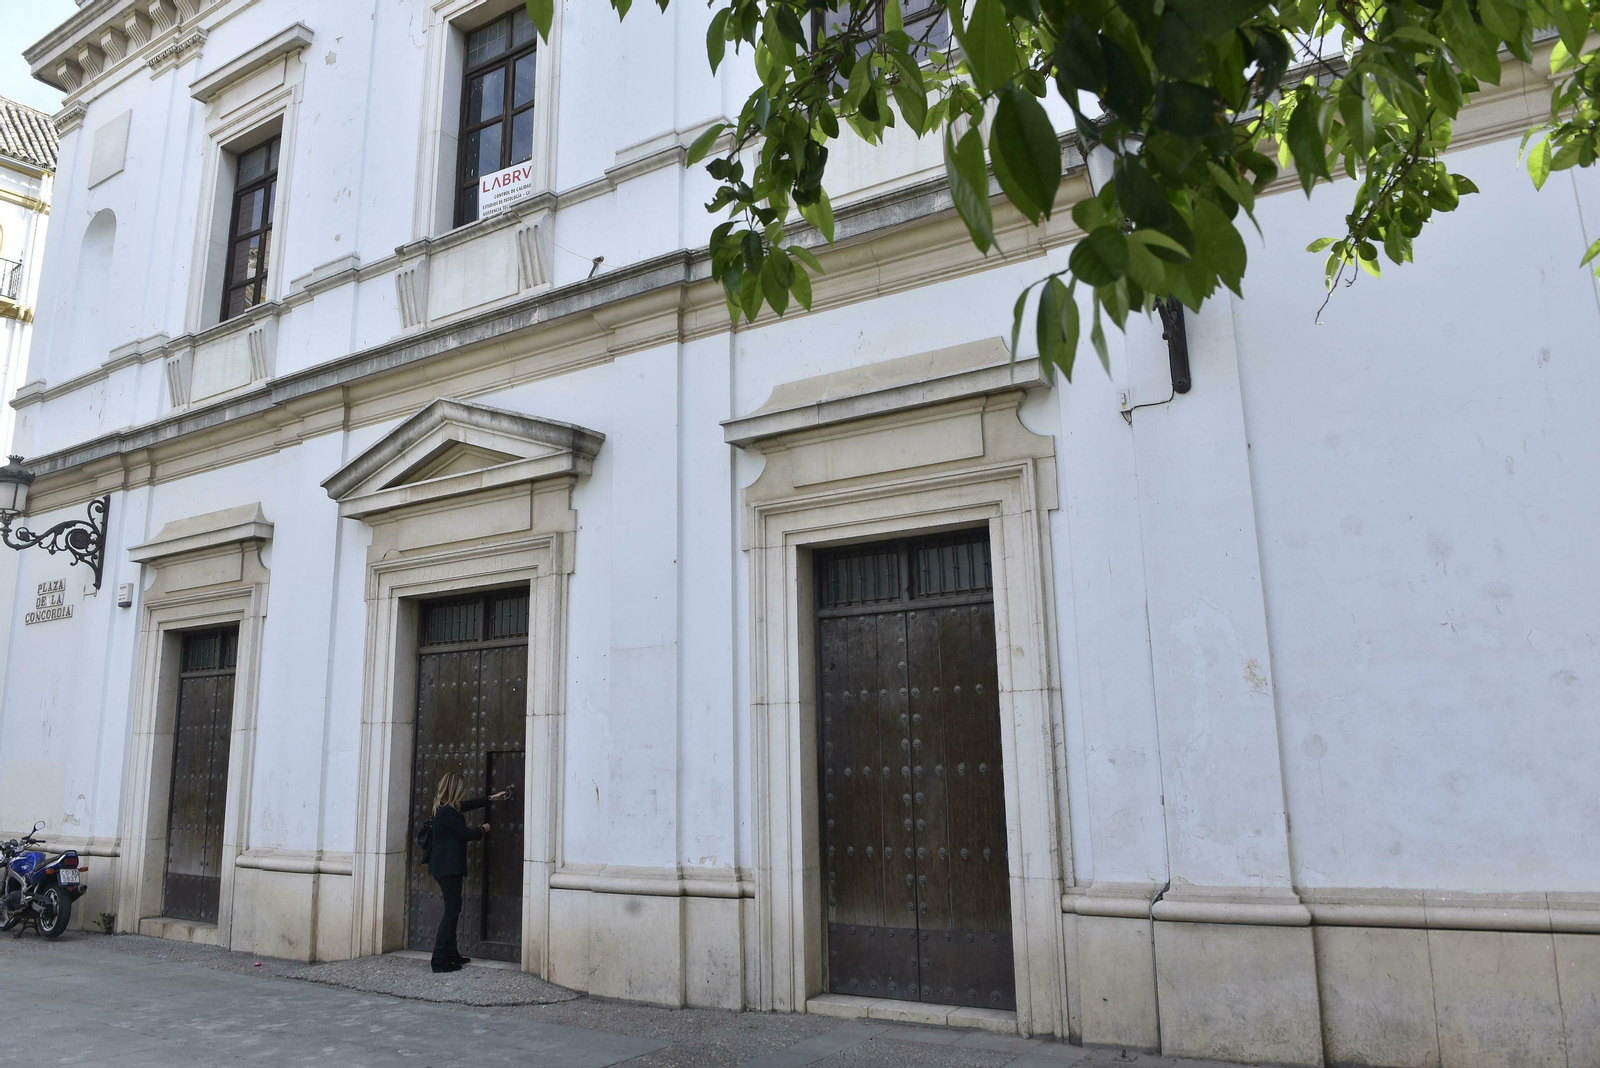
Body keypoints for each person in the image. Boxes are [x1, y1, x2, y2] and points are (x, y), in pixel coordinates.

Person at [427, 772, 510, 973]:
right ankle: (438, 960)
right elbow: (465, 834)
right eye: (461, 789)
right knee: (451, 911)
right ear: (455, 789)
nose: (464, 793)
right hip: (447, 868)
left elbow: (467, 805)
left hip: (445, 867)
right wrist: (482, 829)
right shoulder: (447, 812)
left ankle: (451, 953)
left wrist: (490, 798)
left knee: (453, 909)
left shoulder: (446, 808)